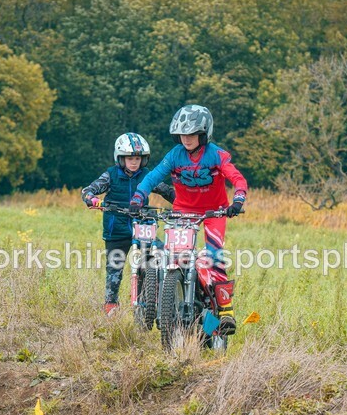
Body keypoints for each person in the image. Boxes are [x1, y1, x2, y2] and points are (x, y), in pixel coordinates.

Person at [129, 105, 247, 334]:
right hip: (182, 211)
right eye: (182, 134)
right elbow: (152, 178)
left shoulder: (216, 155)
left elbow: (237, 178)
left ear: (204, 134)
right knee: (173, 255)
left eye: (192, 134)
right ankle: (168, 300)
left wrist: (238, 200)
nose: (186, 138)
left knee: (214, 256)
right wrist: (138, 197)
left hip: (214, 212)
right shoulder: (175, 155)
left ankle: (225, 311)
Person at [81, 132, 174, 315]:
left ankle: (155, 295)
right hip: (117, 228)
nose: (134, 162)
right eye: (130, 158)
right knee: (114, 269)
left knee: (160, 254)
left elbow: (167, 191)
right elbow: (89, 190)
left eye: (137, 158)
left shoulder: (147, 175)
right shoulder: (111, 175)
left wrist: (181, 203)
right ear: (120, 158)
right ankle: (111, 305)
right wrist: (91, 199)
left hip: (143, 225)